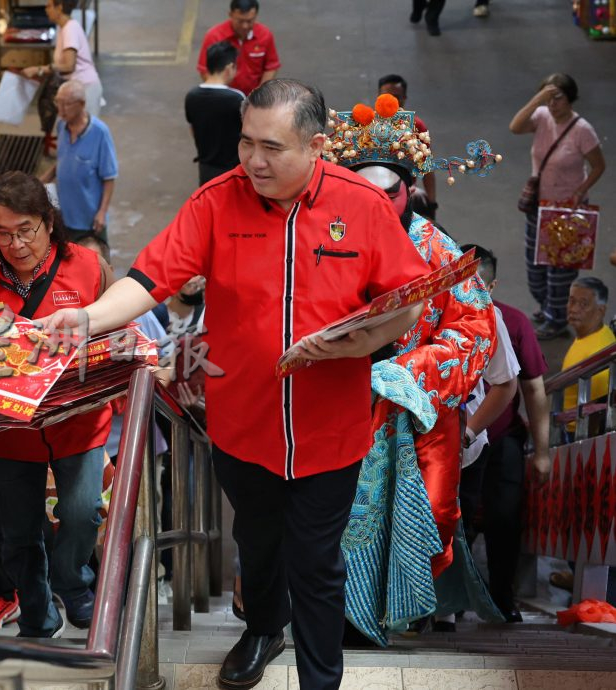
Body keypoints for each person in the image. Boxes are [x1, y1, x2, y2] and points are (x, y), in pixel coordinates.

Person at [45, 79, 430, 689]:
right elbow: (151, 276)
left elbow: (406, 298)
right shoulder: (218, 201)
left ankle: (320, 680)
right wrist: (87, 318)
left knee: (317, 562)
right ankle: (263, 629)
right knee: (257, 541)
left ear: (318, 146)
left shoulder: (362, 206)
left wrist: (361, 342)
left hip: (330, 428)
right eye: (247, 142)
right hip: (242, 423)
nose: (253, 160)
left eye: (272, 147)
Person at [324, 94, 498, 643]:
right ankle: (343, 614)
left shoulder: (439, 251)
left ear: (410, 190)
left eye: (390, 192)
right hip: (337, 396)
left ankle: (402, 605)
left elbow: (474, 328)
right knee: (334, 513)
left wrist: (412, 370)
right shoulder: (325, 242)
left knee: (430, 507)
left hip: (416, 408)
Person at [0, 171, 115, 638]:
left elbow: (116, 332)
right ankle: (39, 617)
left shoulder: (87, 266)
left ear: (48, 222)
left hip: (80, 421)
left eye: (26, 230)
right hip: (7, 428)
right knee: (19, 532)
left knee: (84, 509)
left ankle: (73, 579)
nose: (16, 244)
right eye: (2, 233)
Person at [459, 244, 551, 623]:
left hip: (500, 440)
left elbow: (533, 388)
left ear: (492, 285)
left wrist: (543, 451)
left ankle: (502, 598)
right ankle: (451, 603)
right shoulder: (435, 320)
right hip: (451, 441)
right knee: (454, 520)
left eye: (478, 283)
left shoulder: (512, 322)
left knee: (504, 518)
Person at [509, 73, 606, 341]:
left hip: (566, 210)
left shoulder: (582, 130)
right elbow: (515, 127)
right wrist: (538, 100)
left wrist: (580, 191)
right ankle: (549, 307)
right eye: (548, 98)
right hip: (538, 208)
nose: (552, 104)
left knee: (559, 274)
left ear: (571, 98)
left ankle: (557, 319)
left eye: (557, 98)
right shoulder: (541, 116)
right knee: (536, 269)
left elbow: (599, 165)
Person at [40, 80, 118, 243]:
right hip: (64, 216)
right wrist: (41, 181)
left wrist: (102, 212)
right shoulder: (62, 126)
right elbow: (63, 161)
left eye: (66, 104)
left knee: (96, 265)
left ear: (81, 104)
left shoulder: (100, 133)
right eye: (58, 102)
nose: (60, 110)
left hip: (89, 221)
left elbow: (109, 177)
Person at [22, 0, 102, 116]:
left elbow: (69, 66)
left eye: (49, 6)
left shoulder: (70, 29)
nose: (46, 9)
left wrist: (39, 69)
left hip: (85, 88)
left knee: (82, 130)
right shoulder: (63, 28)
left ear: (59, 8)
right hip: (75, 87)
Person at [376, 75, 437, 220]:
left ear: (404, 98)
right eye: (387, 96)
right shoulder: (364, 125)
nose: (392, 101)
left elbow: (426, 168)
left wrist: (432, 205)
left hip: (406, 196)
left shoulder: (417, 126)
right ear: (378, 97)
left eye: (397, 97)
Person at [186, 42, 246, 186]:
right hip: (233, 171)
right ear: (229, 68)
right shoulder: (237, 98)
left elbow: (193, 129)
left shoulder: (192, 96)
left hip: (206, 167)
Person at [560, 277, 615, 425]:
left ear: (601, 310)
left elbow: (596, 418)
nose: (574, 309)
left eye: (584, 304)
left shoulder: (597, 361)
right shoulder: (598, 332)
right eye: (571, 301)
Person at [197, 0, 280, 95]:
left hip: (253, 99)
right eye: (240, 21)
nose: (245, 26)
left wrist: (259, 94)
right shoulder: (214, 36)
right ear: (230, 14)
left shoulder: (265, 35)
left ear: (256, 15)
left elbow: (271, 67)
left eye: (249, 21)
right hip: (224, 97)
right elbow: (204, 70)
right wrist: (222, 93)